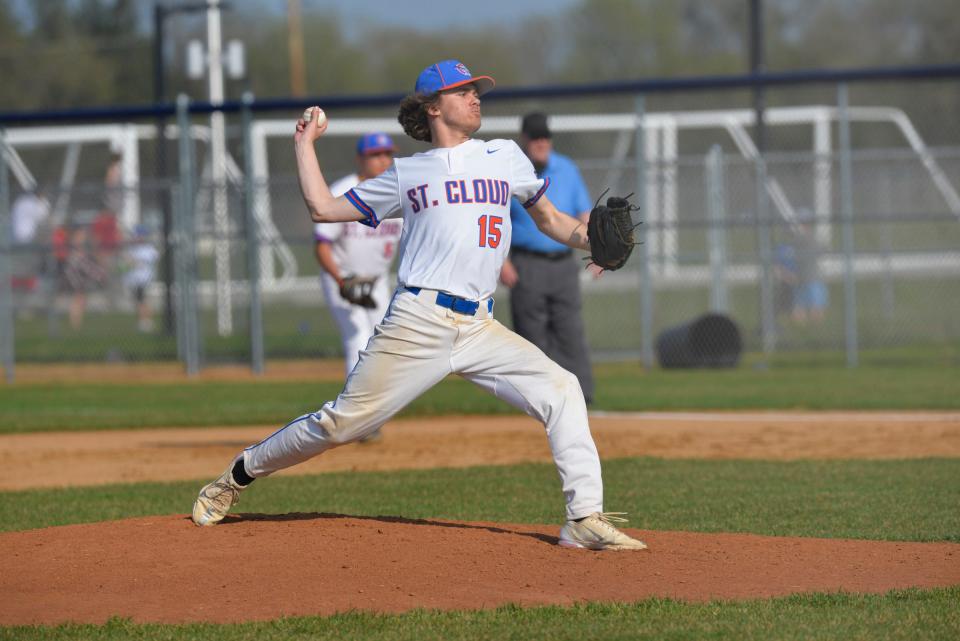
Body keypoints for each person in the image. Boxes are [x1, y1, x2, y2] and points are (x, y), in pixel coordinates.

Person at [190, 59, 647, 551]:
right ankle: (238, 474)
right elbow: (323, 207)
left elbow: (552, 220)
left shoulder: (504, 156)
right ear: (432, 107)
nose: (475, 97)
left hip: (480, 325)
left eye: (477, 91)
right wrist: (304, 146)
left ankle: (582, 517)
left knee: (562, 388)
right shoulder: (406, 174)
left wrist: (593, 242)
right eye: (462, 91)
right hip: (418, 320)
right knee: (342, 424)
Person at [499, 112, 595, 403]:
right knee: (531, 337)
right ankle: (539, 399)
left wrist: (597, 249)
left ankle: (581, 397)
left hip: (563, 264)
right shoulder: (513, 171)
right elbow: (495, 219)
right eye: (535, 138)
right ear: (524, 141)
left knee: (570, 332)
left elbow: (584, 212)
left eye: (545, 138)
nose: (541, 144)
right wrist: (501, 262)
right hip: (525, 264)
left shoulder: (566, 168)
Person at [315, 132, 403, 442]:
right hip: (342, 276)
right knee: (358, 337)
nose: (383, 160)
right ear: (361, 159)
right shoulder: (343, 192)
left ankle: (371, 412)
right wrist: (341, 282)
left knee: (383, 341)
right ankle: (357, 417)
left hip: (377, 280)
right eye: (376, 155)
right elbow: (322, 245)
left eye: (387, 154)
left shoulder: (397, 192)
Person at [9, 187, 50, 295]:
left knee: (18, 266)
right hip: (29, 239)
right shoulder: (33, 204)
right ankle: (28, 289)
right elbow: (44, 215)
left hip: (15, 239)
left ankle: (16, 287)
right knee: (31, 266)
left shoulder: (20, 202)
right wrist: (43, 202)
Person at [790, 210, 828, 324]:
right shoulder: (807, 237)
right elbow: (822, 250)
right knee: (815, 303)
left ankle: (802, 322)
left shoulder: (797, 238)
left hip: (801, 274)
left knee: (800, 303)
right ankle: (814, 322)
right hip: (812, 275)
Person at [123, 224, 160, 333]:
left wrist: (132, 261)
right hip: (135, 279)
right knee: (138, 300)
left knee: (142, 300)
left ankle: (146, 321)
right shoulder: (133, 248)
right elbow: (128, 260)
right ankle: (142, 320)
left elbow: (145, 261)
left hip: (143, 279)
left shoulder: (148, 249)